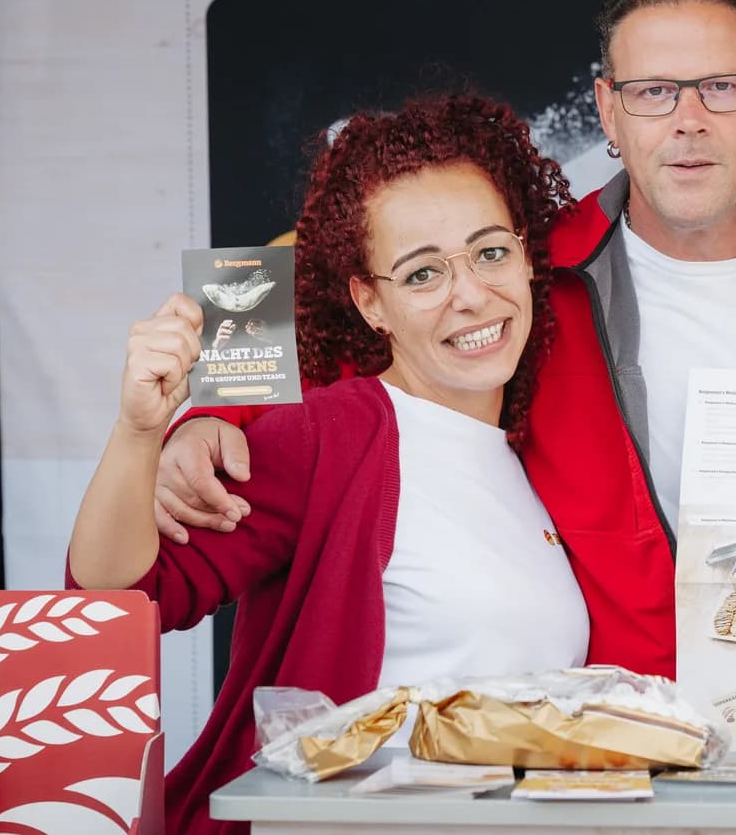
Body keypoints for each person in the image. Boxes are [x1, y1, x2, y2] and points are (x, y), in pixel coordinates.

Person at [153, 0, 736, 677]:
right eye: (653, 92)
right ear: (608, 111)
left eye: (721, 86)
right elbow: (336, 296)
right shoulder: (533, 267)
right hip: (618, 749)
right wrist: (210, 414)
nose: (688, 120)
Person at [65, 93, 589, 835]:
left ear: (527, 256)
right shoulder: (334, 435)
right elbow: (117, 597)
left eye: (491, 252)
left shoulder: (529, 459)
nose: (472, 294)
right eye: (422, 274)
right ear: (369, 302)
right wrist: (139, 431)